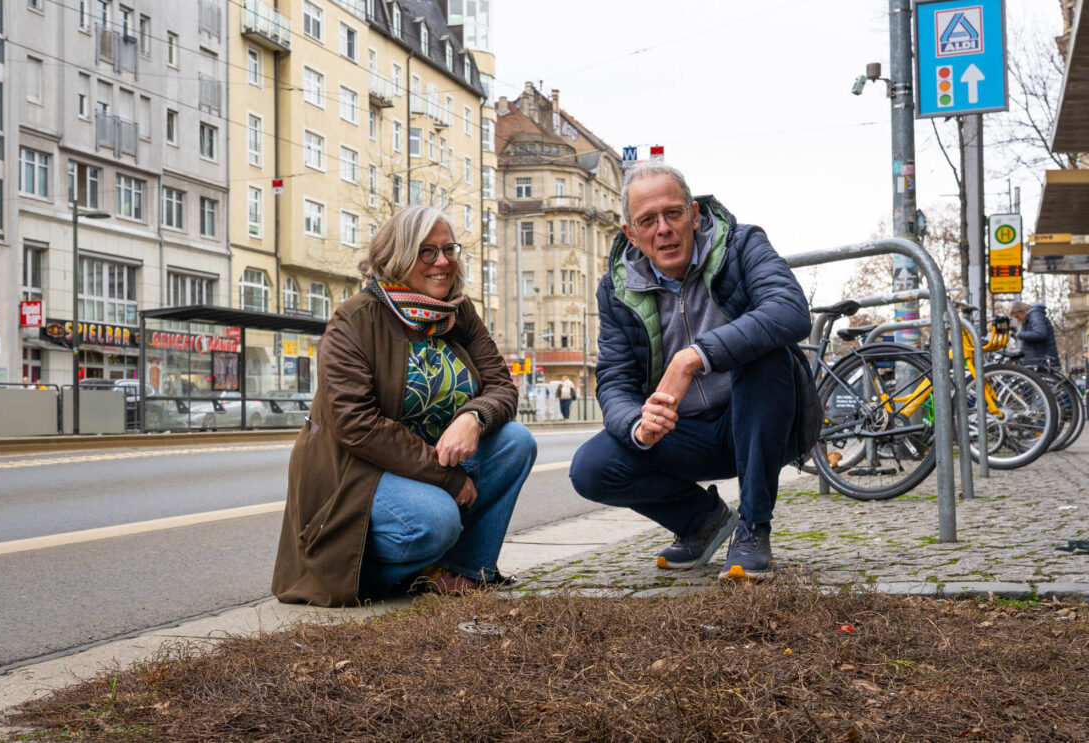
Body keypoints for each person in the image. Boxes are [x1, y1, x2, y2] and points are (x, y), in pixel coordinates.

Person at [272, 205, 537, 607]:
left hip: (430, 464)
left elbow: (501, 384)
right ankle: (363, 571)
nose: (443, 262)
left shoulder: (458, 313)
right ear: (396, 257)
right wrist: (446, 480)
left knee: (516, 441)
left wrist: (474, 416)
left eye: (449, 249)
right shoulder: (354, 320)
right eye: (426, 252)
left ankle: (462, 572)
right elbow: (356, 424)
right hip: (361, 473)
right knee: (435, 520)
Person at [568, 164, 814, 581]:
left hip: (760, 420)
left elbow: (789, 311)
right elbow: (614, 378)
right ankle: (702, 520)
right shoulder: (615, 287)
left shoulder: (742, 244)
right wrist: (636, 424)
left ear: (694, 214)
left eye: (673, 214)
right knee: (591, 468)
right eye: (647, 220)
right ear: (631, 233)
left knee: (769, 355)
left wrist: (692, 357)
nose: (663, 229)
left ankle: (753, 527)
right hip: (683, 434)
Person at [1009, 301, 1061, 369]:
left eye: (1017, 316)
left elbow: (1040, 334)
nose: (1018, 319)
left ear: (1021, 311)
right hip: (1040, 362)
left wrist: (1020, 335)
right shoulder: (1029, 319)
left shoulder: (1035, 315)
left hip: (1043, 362)